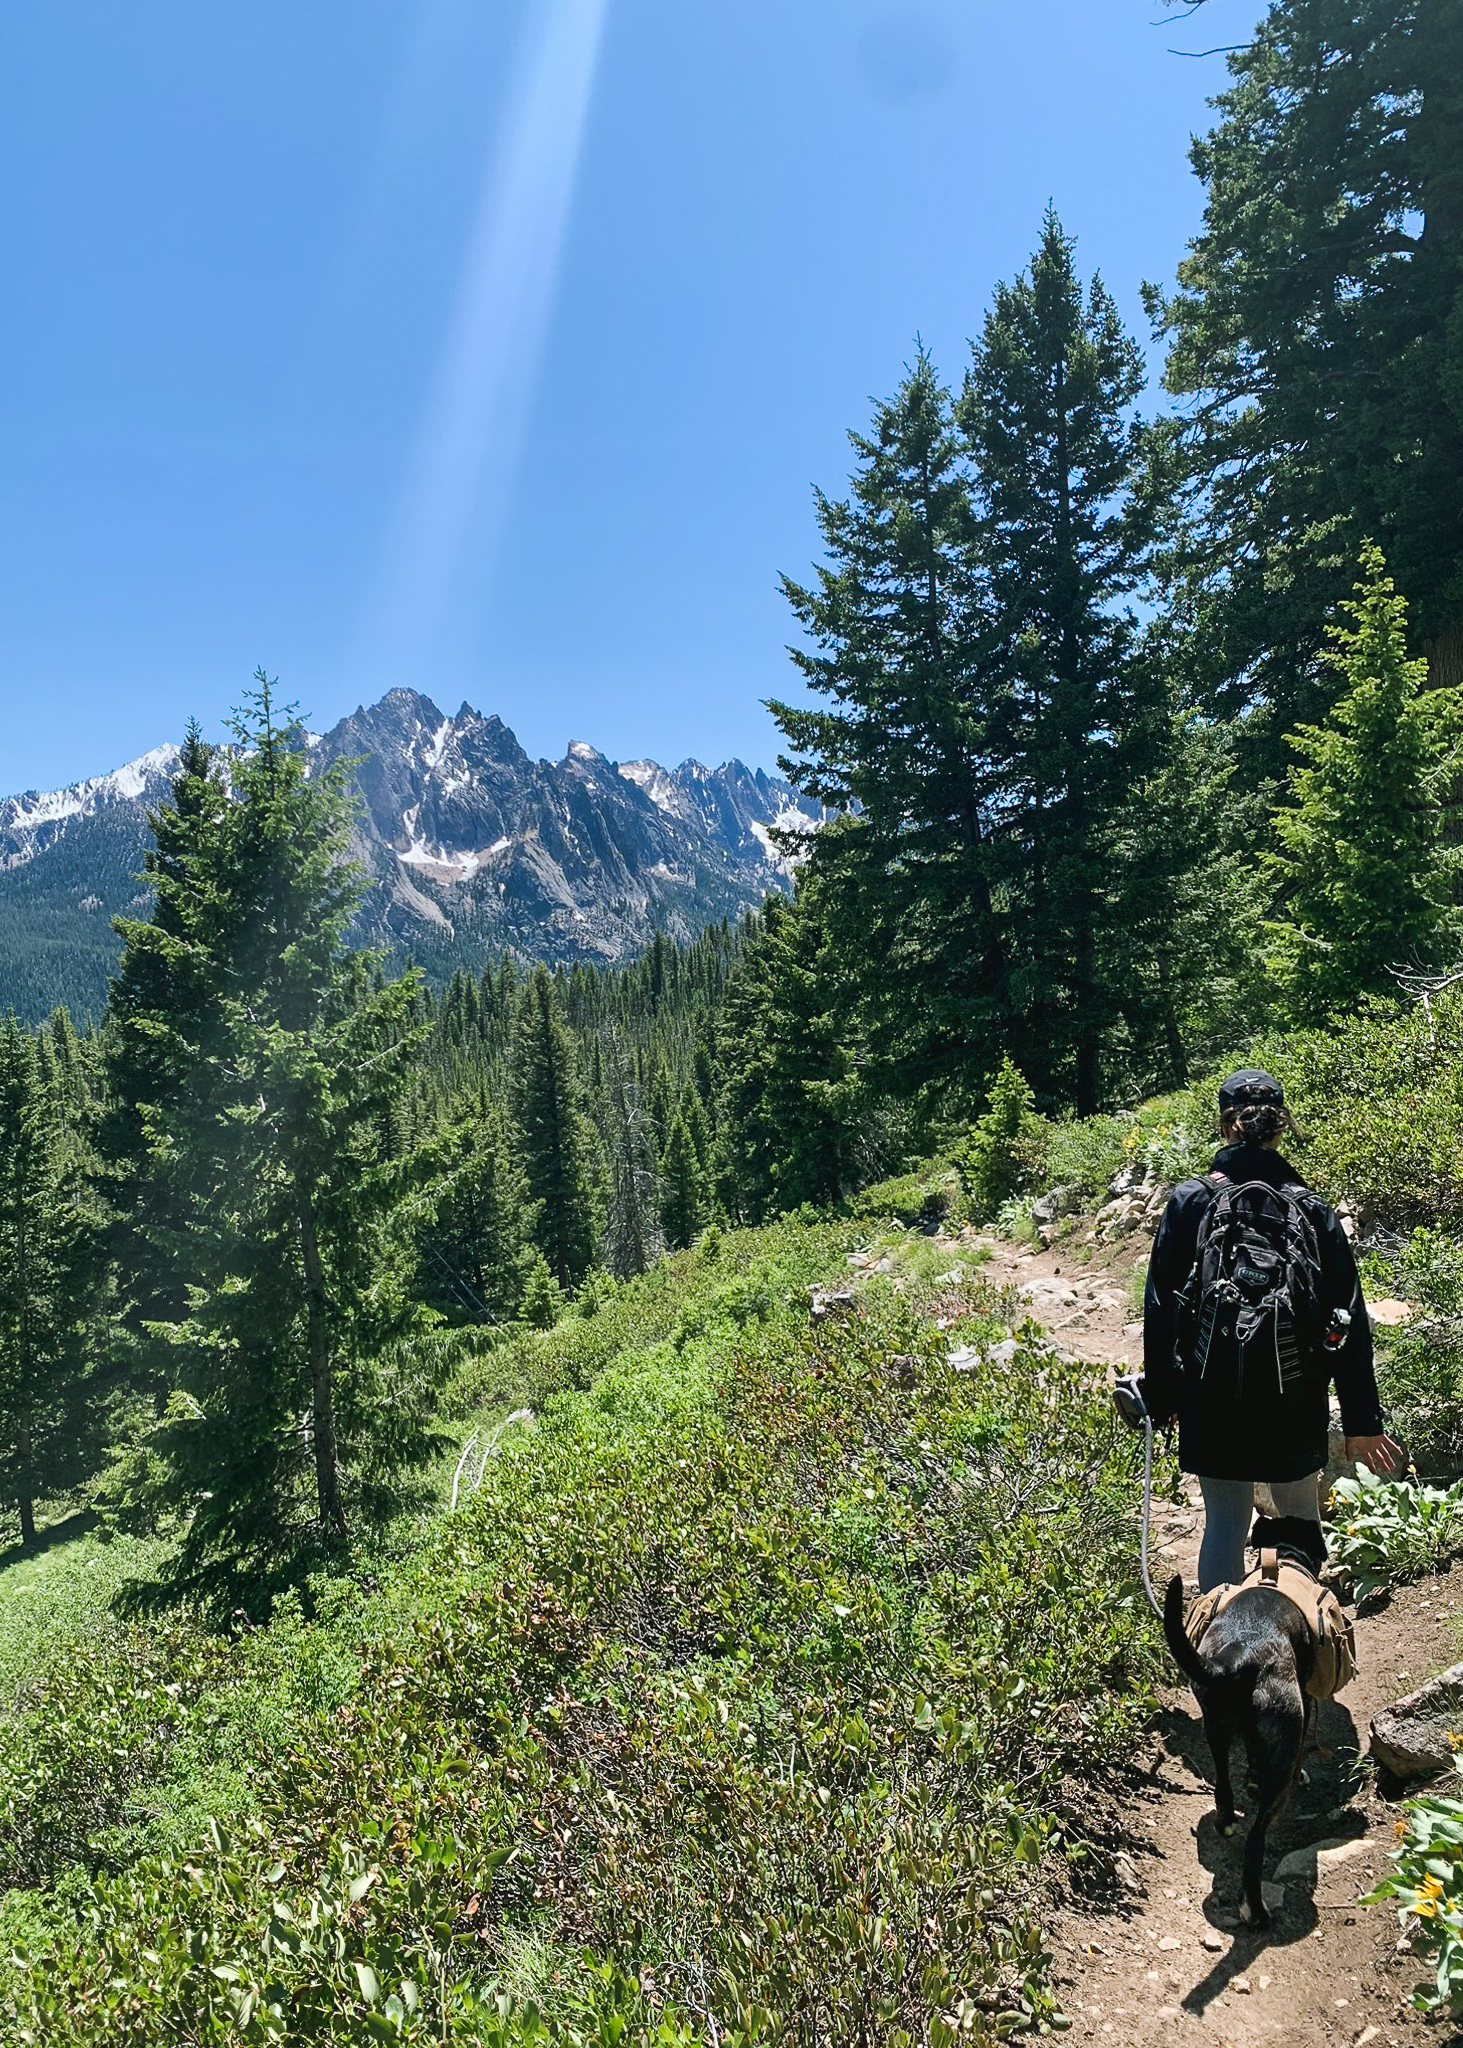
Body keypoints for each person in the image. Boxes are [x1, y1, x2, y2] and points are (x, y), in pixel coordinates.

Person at [1143, 1069, 1401, 1592]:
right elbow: (1350, 1317)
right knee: (1299, 1511)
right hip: (1295, 1391)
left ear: (1225, 1125)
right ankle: (1303, 1646)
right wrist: (1360, 1421)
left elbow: (1161, 1307)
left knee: (1225, 1522)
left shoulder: (1191, 1200)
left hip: (1210, 1390)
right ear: (1282, 1125)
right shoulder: (1310, 1207)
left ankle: (1216, 1655)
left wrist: (1164, 1394)